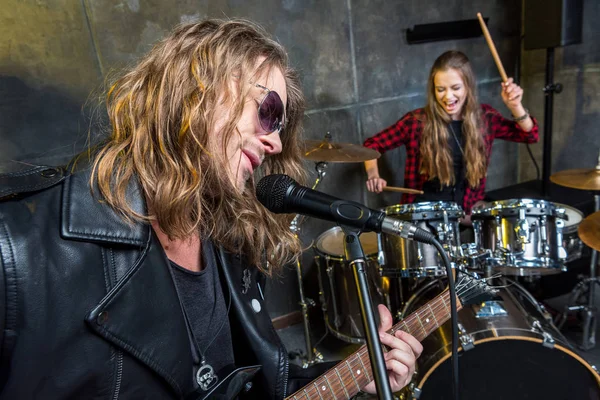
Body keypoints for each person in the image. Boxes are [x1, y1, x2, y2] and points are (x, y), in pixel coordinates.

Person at [0, 19, 422, 399]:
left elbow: (254, 385)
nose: (275, 142)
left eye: (280, 126)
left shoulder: (228, 240)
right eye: (269, 111)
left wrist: (355, 375)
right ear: (199, 89)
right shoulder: (15, 250)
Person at [363, 50, 539, 223]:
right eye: (440, 89)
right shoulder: (416, 122)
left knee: (515, 222)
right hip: (426, 215)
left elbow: (529, 135)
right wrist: (373, 175)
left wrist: (515, 106)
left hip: (467, 211)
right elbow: (371, 145)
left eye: (455, 88)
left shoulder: (485, 118)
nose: (448, 96)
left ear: (468, 86)